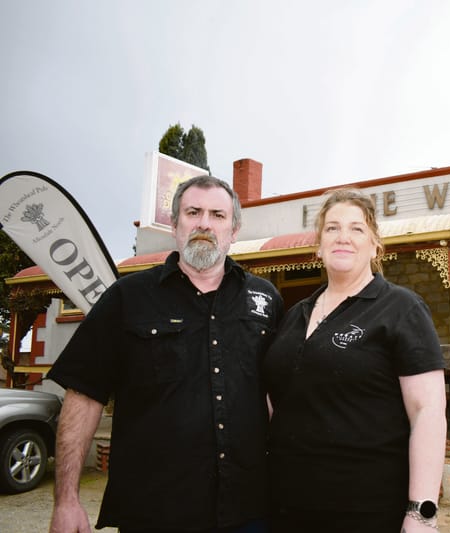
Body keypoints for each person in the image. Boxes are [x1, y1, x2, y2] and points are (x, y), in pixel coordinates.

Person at [48, 175, 283, 533]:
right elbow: (83, 395)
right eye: (193, 212)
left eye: (218, 215)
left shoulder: (266, 301)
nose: (205, 223)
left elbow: (280, 398)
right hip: (153, 512)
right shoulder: (127, 298)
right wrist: (66, 500)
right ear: (174, 225)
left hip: (248, 512)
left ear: (233, 230)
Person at [263, 187, 447, 533]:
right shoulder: (294, 315)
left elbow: (429, 412)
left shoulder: (401, 308)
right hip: (286, 506)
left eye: (356, 228)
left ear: (375, 243)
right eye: (332, 228)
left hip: (366, 510)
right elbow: (276, 402)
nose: (343, 237)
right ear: (318, 244)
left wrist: (421, 514)